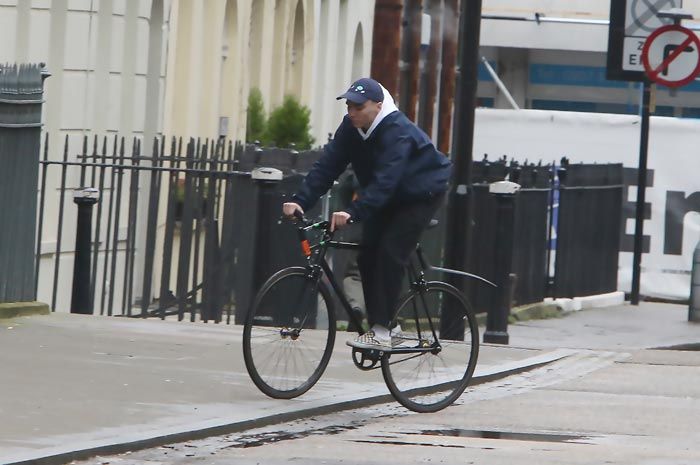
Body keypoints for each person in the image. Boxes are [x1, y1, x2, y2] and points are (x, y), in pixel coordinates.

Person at [282, 77, 452, 350]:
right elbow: (328, 166)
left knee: (389, 252)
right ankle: (387, 327)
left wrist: (353, 212)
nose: (352, 112)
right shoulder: (351, 128)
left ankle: (382, 331)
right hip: (386, 194)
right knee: (366, 255)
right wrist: (300, 200)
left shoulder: (397, 131)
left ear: (378, 105)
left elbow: (387, 181)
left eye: (358, 107)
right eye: (349, 106)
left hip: (421, 193)